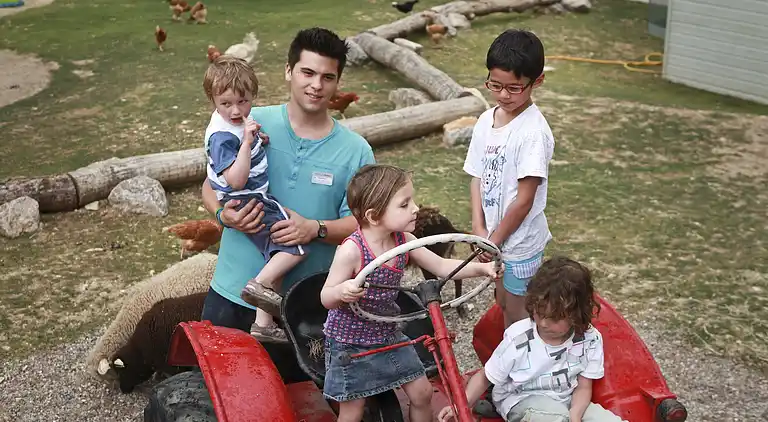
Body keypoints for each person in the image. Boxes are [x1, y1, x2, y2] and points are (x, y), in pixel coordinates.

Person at [200, 27, 375, 340]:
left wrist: (315, 228)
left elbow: (365, 225)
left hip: (306, 304)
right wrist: (221, 215)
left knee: (296, 390)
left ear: (338, 81)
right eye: (307, 72)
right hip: (231, 292)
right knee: (218, 385)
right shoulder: (248, 120)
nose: (316, 85)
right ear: (288, 71)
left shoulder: (356, 150)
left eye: (328, 77)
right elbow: (210, 185)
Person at [320, 164, 501, 422]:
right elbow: (326, 297)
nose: (415, 208)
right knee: (352, 410)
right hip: (351, 343)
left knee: (422, 393)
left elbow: (440, 266)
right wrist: (343, 290)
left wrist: (482, 268)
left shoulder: (403, 240)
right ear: (373, 216)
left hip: (388, 334)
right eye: (404, 204)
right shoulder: (352, 250)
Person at [437, 256, 626, 422]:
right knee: (557, 418)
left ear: (577, 315)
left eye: (554, 318)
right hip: (520, 399)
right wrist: (460, 406)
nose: (543, 323)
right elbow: (485, 377)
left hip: (565, 401)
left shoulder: (589, 339)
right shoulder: (519, 337)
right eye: (539, 313)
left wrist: (576, 415)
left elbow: (584, 387)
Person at [201, 56, 306, 335]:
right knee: (292, 250)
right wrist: (248, 143)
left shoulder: (236, 123)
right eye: (226, 103)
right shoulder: (221, 136)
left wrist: (255, 139)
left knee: (276, 256)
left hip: (247, 200)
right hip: (249, 199)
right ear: (212, 100)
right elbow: (236, 179)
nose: (236, 110)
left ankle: (263, 324)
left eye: (243, 101)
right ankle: (257, 286)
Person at [464, 29, 555, 328]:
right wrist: (480, 231)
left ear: (536, 81)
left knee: (518, 315)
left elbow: (524, 200)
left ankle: (519, 369)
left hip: (519, 245)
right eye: (495, 85)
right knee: (501, 299)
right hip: (493, 238)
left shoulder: (532, 133)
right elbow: (476, 176)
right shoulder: (484, 121)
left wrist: (494, 241)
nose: (503, 95)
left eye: (514, 88)